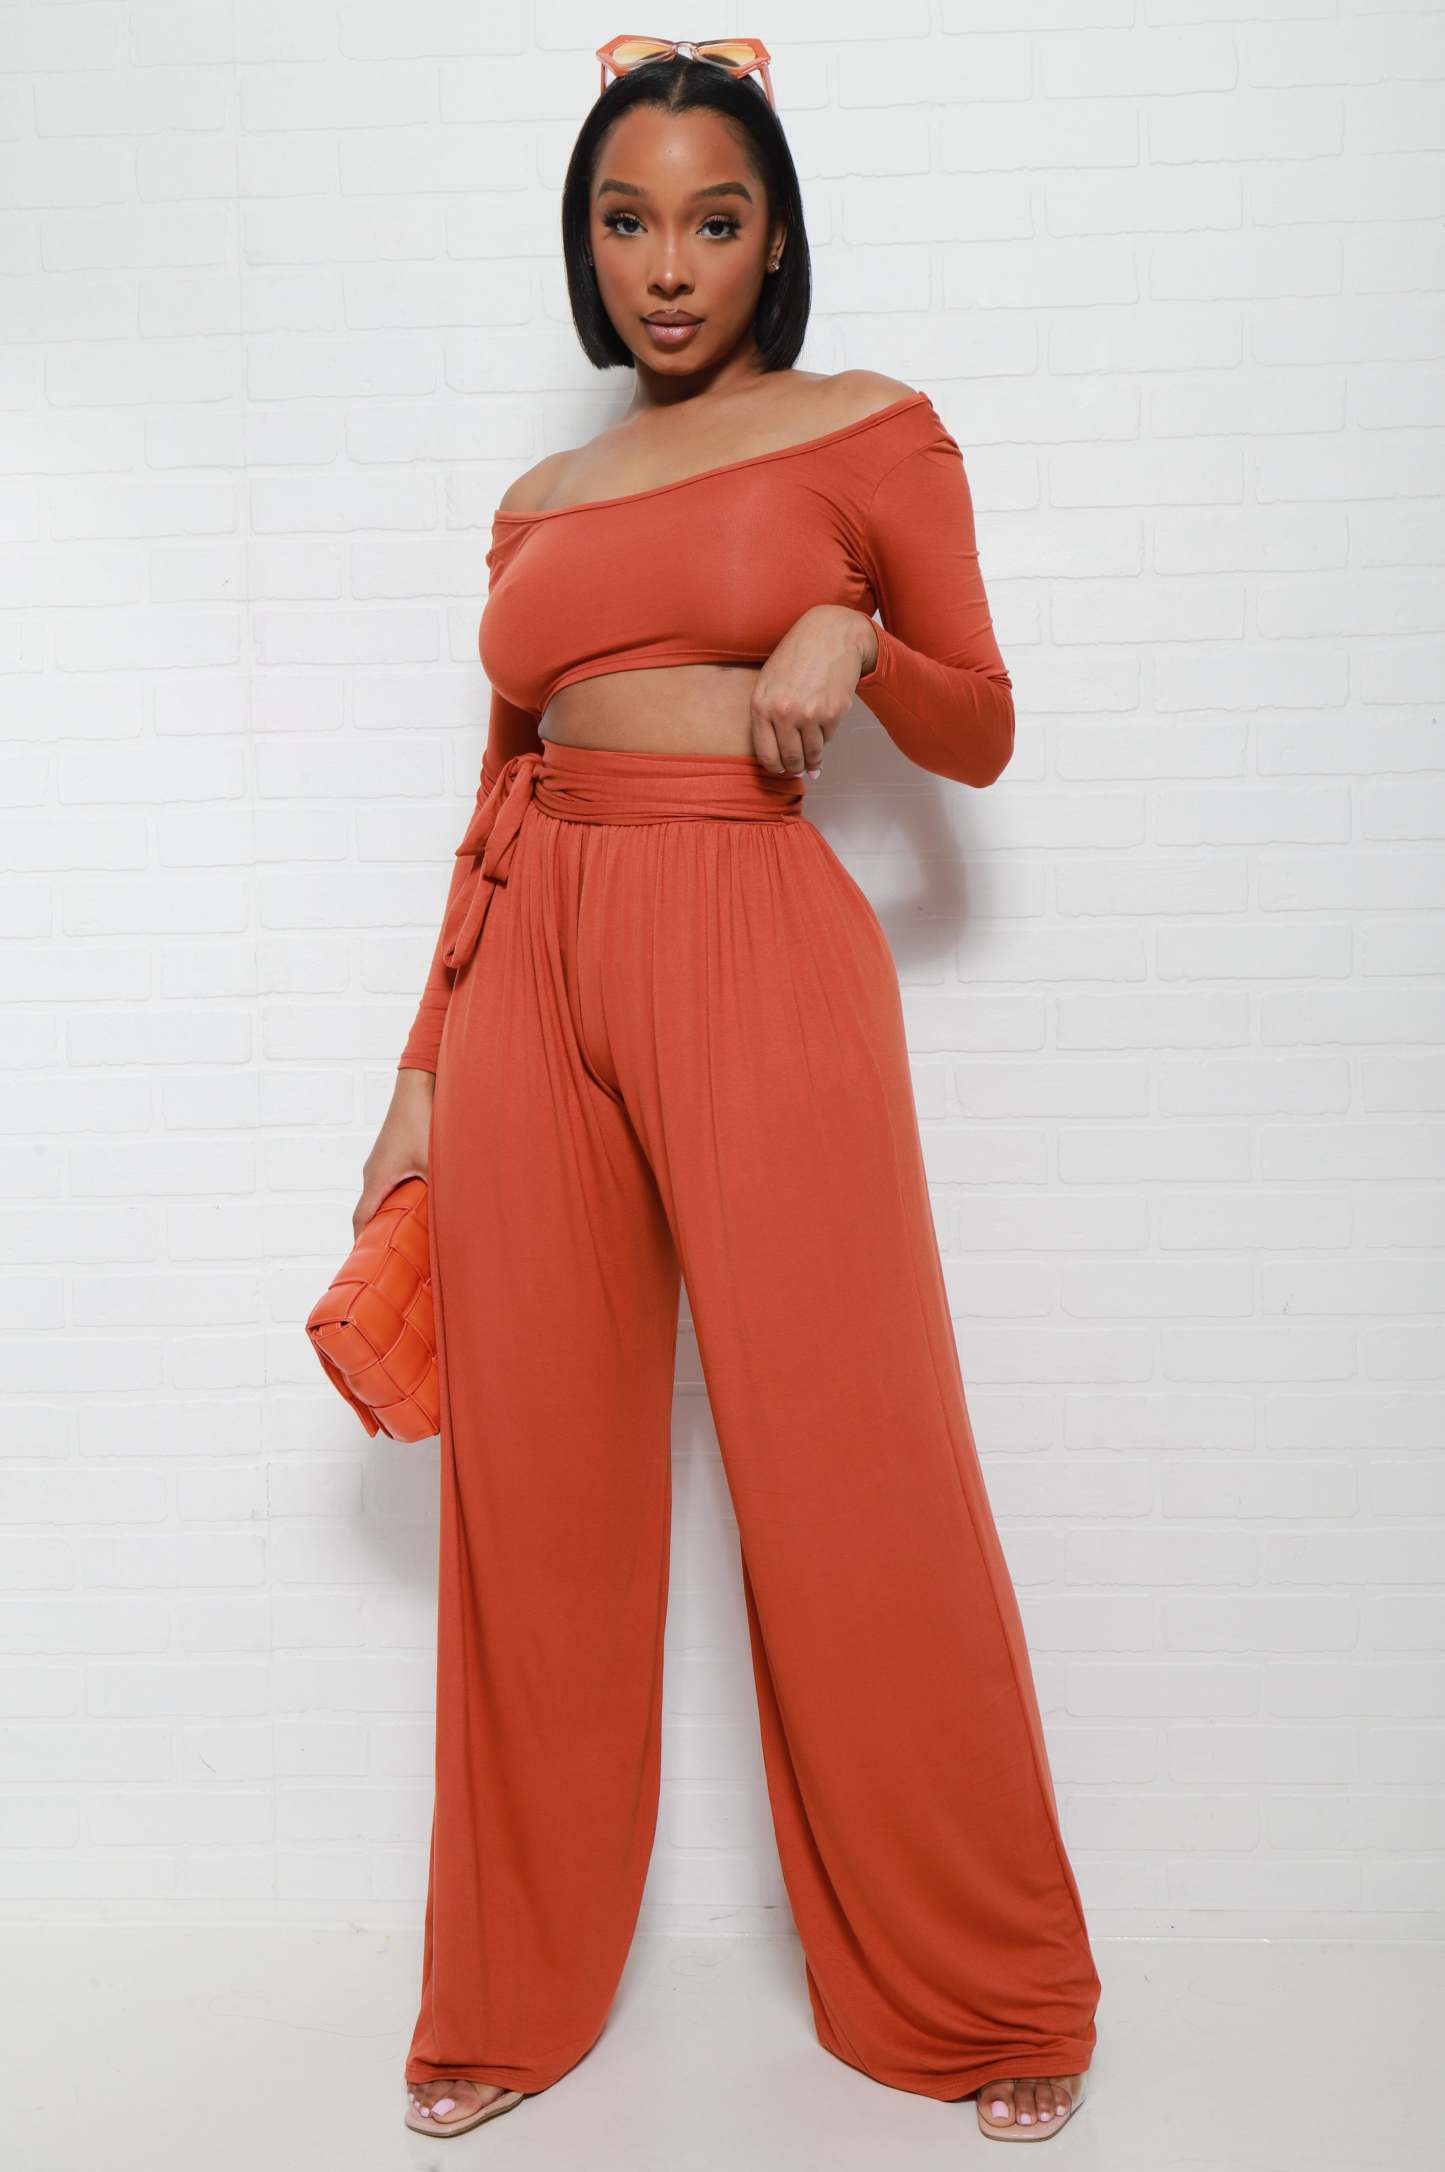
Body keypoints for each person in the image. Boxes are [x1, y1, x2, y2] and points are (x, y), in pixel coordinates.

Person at [355, 37, 1102, 2149]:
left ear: (773, 238)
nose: (666, 265)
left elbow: (983, 729)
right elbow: (494, 787)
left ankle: (984, 1984)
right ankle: (506, 1994)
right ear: (584, 245)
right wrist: (420, 1068)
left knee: (851, 1461)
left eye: (711, 219)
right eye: (627, 221)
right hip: (532, 967)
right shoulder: (537, 502)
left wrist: (857, 646)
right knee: (534, 1500)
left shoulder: (870, 430)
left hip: (752, 934)